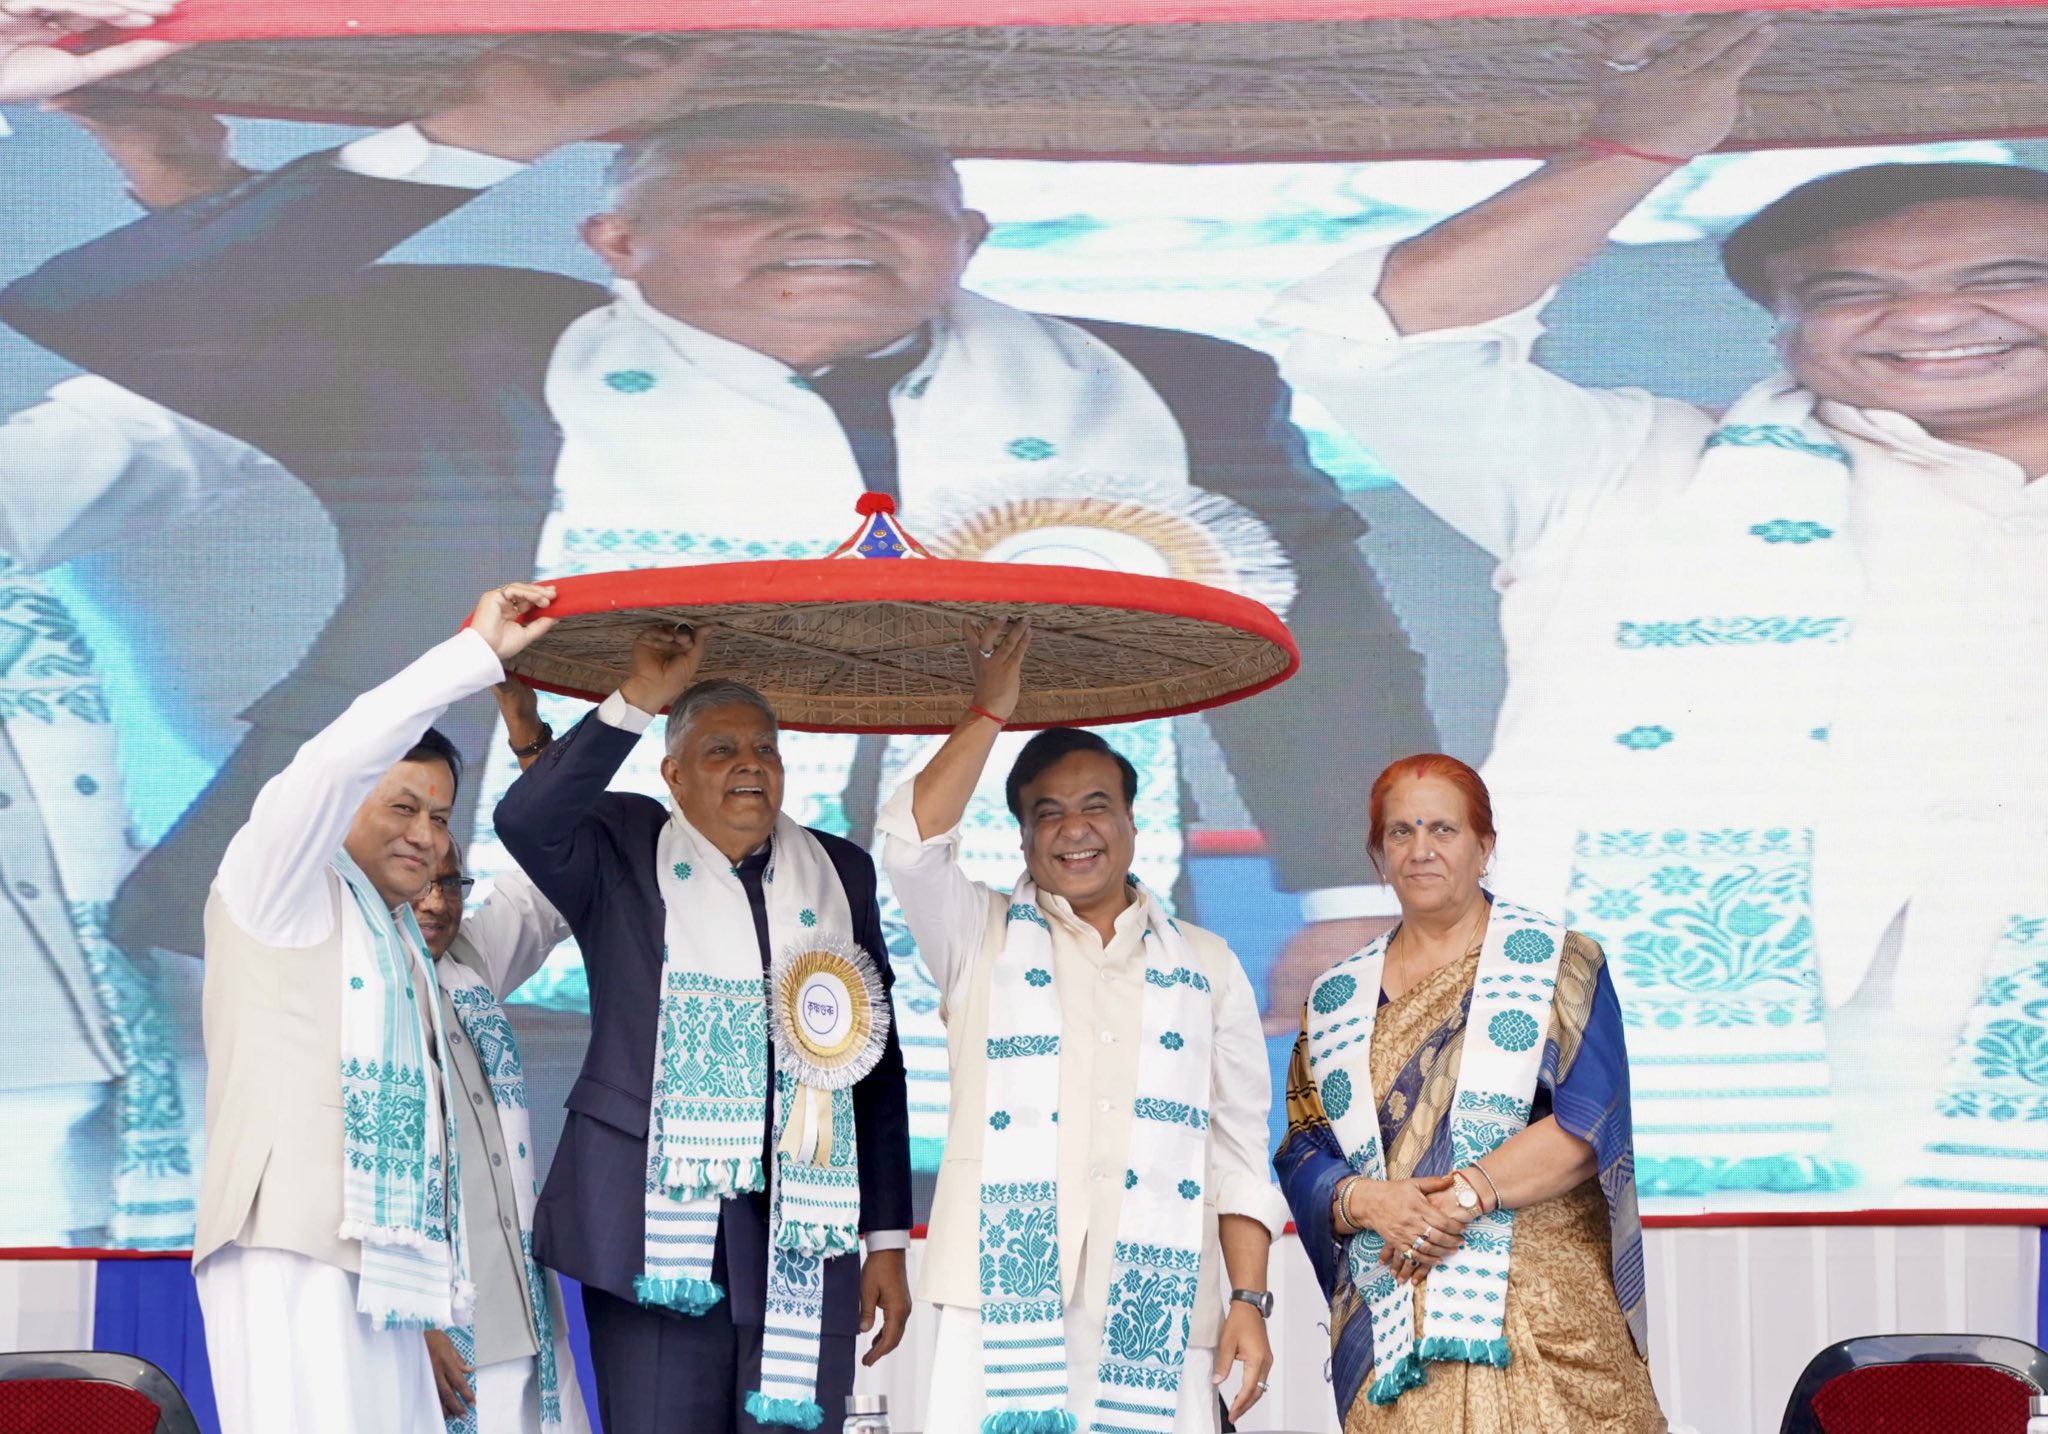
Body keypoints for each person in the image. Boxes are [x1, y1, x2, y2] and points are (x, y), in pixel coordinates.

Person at [0, 40, 1436, 1056]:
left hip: (982, 963)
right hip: (472, 946)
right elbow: (130, 318)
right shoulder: (465, 350)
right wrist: (475, 130)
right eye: (748, 203)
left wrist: (1356, 897)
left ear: (968, 233)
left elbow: (1317, 648)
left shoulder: (1175, 380)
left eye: (884, 204)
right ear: (615, 236)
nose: (827, 231)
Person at [1265, 12, 2048, 1203]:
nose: (1931, 317)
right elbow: (1371, 346)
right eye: (1854, 291)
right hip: (1672, 1068)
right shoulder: (1623, 474)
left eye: (2002, 279)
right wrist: (1630, 152)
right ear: (1780, 327)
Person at [492, 624, 913, 1434]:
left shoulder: (838, 869)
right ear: (673, 774)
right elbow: (531, 822)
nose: (751, 764)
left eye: (766, 749)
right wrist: (640, 694)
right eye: (721, 751)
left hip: (805, 1226)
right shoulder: (621, 843)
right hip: (649, 1229)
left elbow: (875, 1064)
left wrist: (886, 1237)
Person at [879, 616, 1287, 1433]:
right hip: (997, 1302)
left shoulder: (1207, 963)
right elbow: (908, 845)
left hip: (1158, 1304)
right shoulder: (977, 936)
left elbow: (1239, 1148)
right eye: (1049, 812)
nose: (1075, 829)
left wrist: (1247, 1298)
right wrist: (990, 711)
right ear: (1025, 837)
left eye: (1097, 806)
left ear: (1134, 824)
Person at [192, 581, 559, 1434]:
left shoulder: (401, 943)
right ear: (343, 808)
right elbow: (329, 763)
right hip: (288, 1246)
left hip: (394, 1269)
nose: (426, 837)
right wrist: (473, 656)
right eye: (401, 806)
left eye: (439, 816)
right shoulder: (275, 887)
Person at [1275, 753, 1660, 1432]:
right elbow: (1305, 1146)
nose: (1421, 851)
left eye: (1443, 831)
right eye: (1401, 833)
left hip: (1541, 1322)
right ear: (1378, 856)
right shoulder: (1335, 998)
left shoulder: (1557, 964)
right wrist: (1367, 1200)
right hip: (1397, 1326)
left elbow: (1588, 1121)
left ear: (1484, 847)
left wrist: (1461, 1196)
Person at [406, 822, 591, 1434]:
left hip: (519, 1319)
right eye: (418, 882)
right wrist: (414, 1327)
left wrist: (534, 744)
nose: (437, 902)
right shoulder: (350, 996)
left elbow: (542, 887)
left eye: (450, 882)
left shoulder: (468, 964)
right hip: (427, 1336)